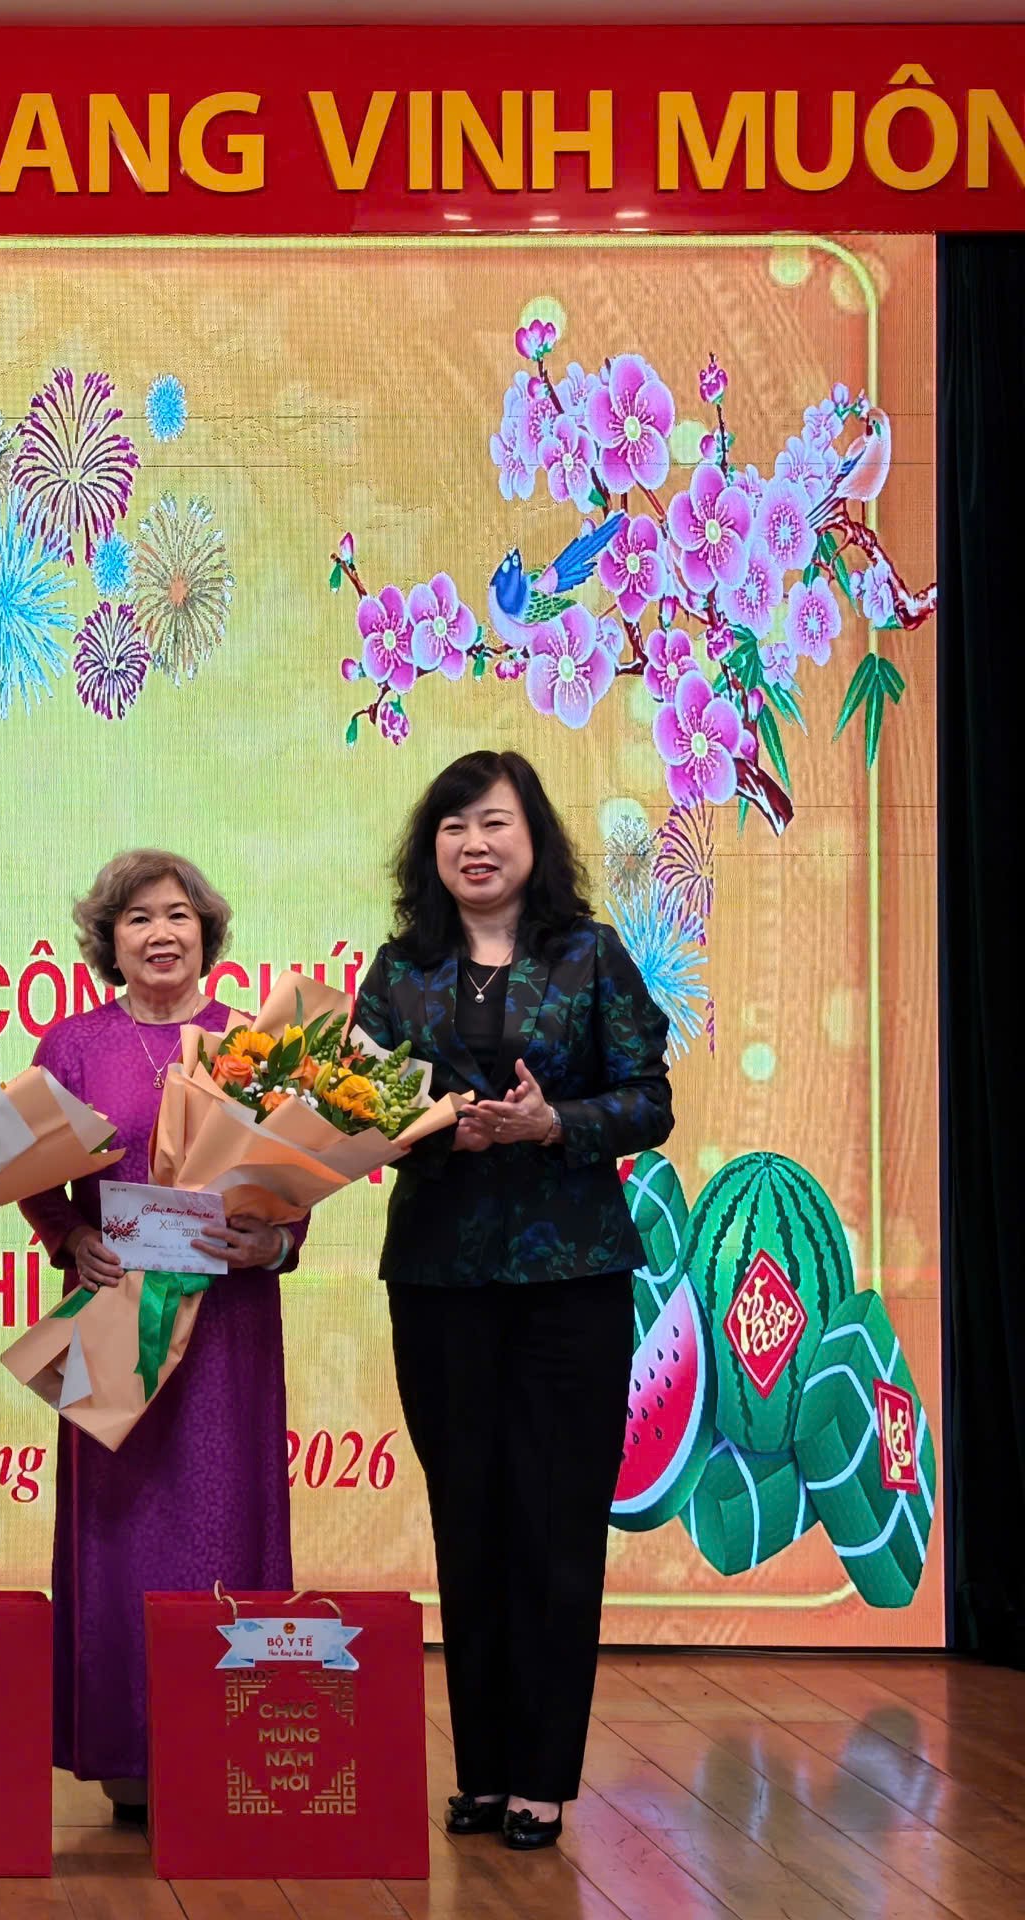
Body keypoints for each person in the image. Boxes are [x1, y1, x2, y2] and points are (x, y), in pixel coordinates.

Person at [354, 749, 671, 1852]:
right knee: (470, 1517)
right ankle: (483, 1773)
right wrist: (429, 1125)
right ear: (430, 848)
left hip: (569, 1281)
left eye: (492, 822)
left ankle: (542, 1777)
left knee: (554, 1523)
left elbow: (648, 1100)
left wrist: (553, 1124)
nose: (473, 844)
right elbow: (357, 1110)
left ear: (532, 837)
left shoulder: (590, 956)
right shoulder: (399, 970)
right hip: (439, 1277)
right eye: (453, 827)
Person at [18, 850, 299, 1826]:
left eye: (177, 914)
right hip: (114, 1316)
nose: (160, 933)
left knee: (229, 1517)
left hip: (227, 1323)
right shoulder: (71, 1046)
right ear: (110, 940)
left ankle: (229, 1744)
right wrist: (71, 1238)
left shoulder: (254, 1045)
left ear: (206, 932)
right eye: (137, 918)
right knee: (117, 1530)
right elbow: (28, 1173)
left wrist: (275, 1242)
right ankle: (125, 1751)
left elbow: (298, 1182)